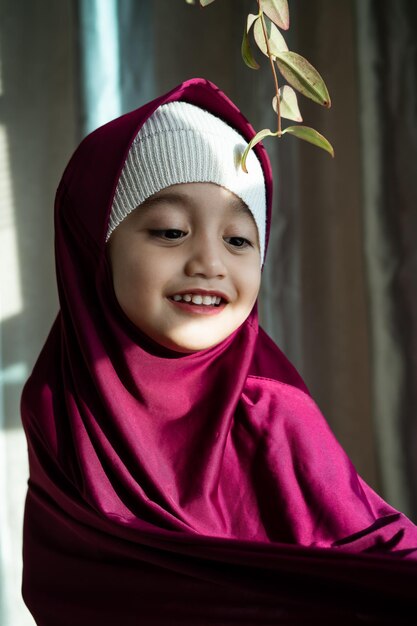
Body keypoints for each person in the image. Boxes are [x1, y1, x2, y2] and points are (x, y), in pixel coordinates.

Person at [21, 78, 417, 626]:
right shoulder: (58, 402)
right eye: (169, 230)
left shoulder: (271, 407)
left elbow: (379, 551)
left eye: (238, 240)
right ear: (94, 245)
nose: (209, 262)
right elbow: (66, 584)